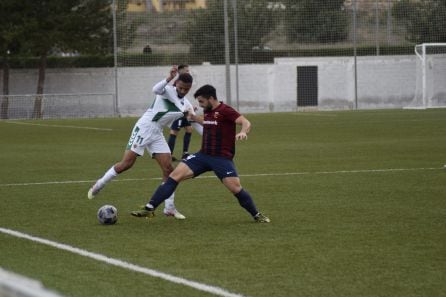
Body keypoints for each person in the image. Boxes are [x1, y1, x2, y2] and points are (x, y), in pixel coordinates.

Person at [131, 84, 270, 223]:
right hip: (203, 156)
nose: (200, 105)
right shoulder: (209, 111)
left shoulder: (226, 110)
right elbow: (207, 120)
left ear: (211, 98)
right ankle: (149, 208)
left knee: (235, 188)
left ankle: (256, 215)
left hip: (221, 159)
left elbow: (245, 122)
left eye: (202, 101)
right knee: (174, 176)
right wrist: (193, 117)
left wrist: (243, 132)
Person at [87, 66, 199, 220]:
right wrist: (168, 78)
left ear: (190, 88)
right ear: (176, 84)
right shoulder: (167, 90)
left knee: (169, 170)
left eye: (186, 89)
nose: (182, 91)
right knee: (126, 164)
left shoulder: (186, 103)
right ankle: (99, 185)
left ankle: (169, 208)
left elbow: (195, 121)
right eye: (180, 87)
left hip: (157, 133)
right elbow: (155, 89)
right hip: (144, 128)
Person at [167, 64, 195, 161]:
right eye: (186, 71)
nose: (188, 72)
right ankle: (169, 154)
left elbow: (183, 99)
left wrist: (189, 107)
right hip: (177, 112)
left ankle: (185, 153)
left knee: (189, 129)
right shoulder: (177, 83)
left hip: (184, 111)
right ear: (180, 71)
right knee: (174, 132)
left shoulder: (185, 82)